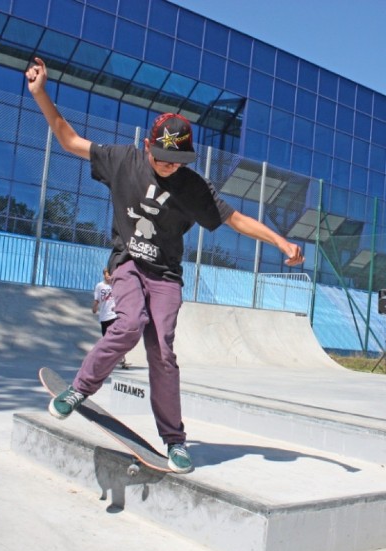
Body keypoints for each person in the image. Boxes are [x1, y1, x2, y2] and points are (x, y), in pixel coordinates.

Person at [25, 57, 304, 473]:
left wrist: (279, 239)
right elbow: (69, 140)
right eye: (160, 158)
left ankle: (174, 439)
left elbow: (236, 220)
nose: (168, 165)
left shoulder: (194, 188)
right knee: (128, 324)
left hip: (167, 276)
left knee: (163, 354)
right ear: (146, 147)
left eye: (176, 160)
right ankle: (80, 389)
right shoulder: (121, 160)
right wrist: (40, 93)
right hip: (127, 263)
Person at [92, 268, 128, 370]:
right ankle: (107, 360)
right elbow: (97, 299)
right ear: (104, 275)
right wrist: (94, 307)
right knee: (106, 339)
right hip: (104, 317)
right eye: (107, 275)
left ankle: (121, 359)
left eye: (110, 275)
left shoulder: (116, 285)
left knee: (116, 337)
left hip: (114, 315)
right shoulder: (99, 286)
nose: (109, 277)